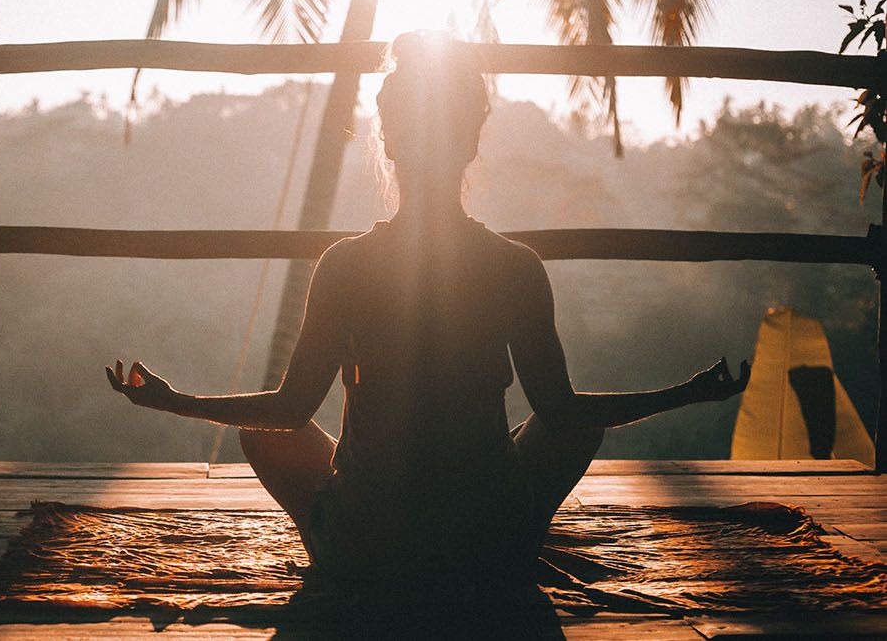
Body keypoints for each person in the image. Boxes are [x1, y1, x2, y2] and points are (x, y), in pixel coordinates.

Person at [106, 31, 749, 591]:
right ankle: (511, 537)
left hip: (368, 546)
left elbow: (288, 410)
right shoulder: (514, 266)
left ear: (390, 143)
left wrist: (175, 401)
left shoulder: (346, 265)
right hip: (485, 542)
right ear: (471, 145)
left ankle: (334, 542)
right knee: (574, 424)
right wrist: (687, 393)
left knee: (265, 432)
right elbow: (562, 413)